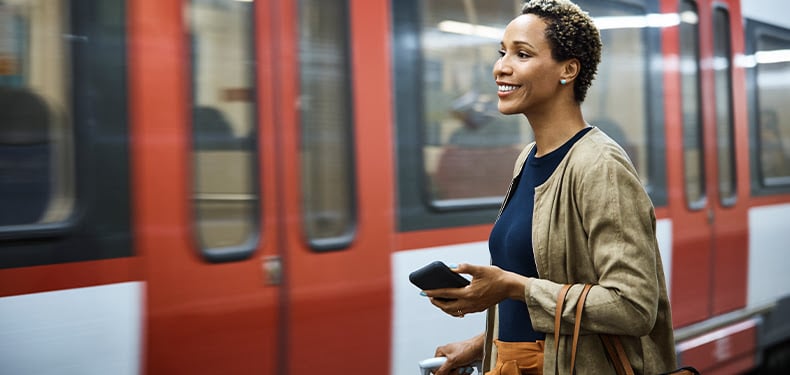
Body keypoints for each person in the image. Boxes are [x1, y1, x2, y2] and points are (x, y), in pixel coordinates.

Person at [421, 1, 677, 374]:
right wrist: (481, 346)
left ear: (568, 70)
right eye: (502, 52)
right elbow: (542, 301)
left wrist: (514, 288)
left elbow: (633, 306)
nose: (501, 67)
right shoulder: (528, 159)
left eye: (522, 54)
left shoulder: (600, 166)